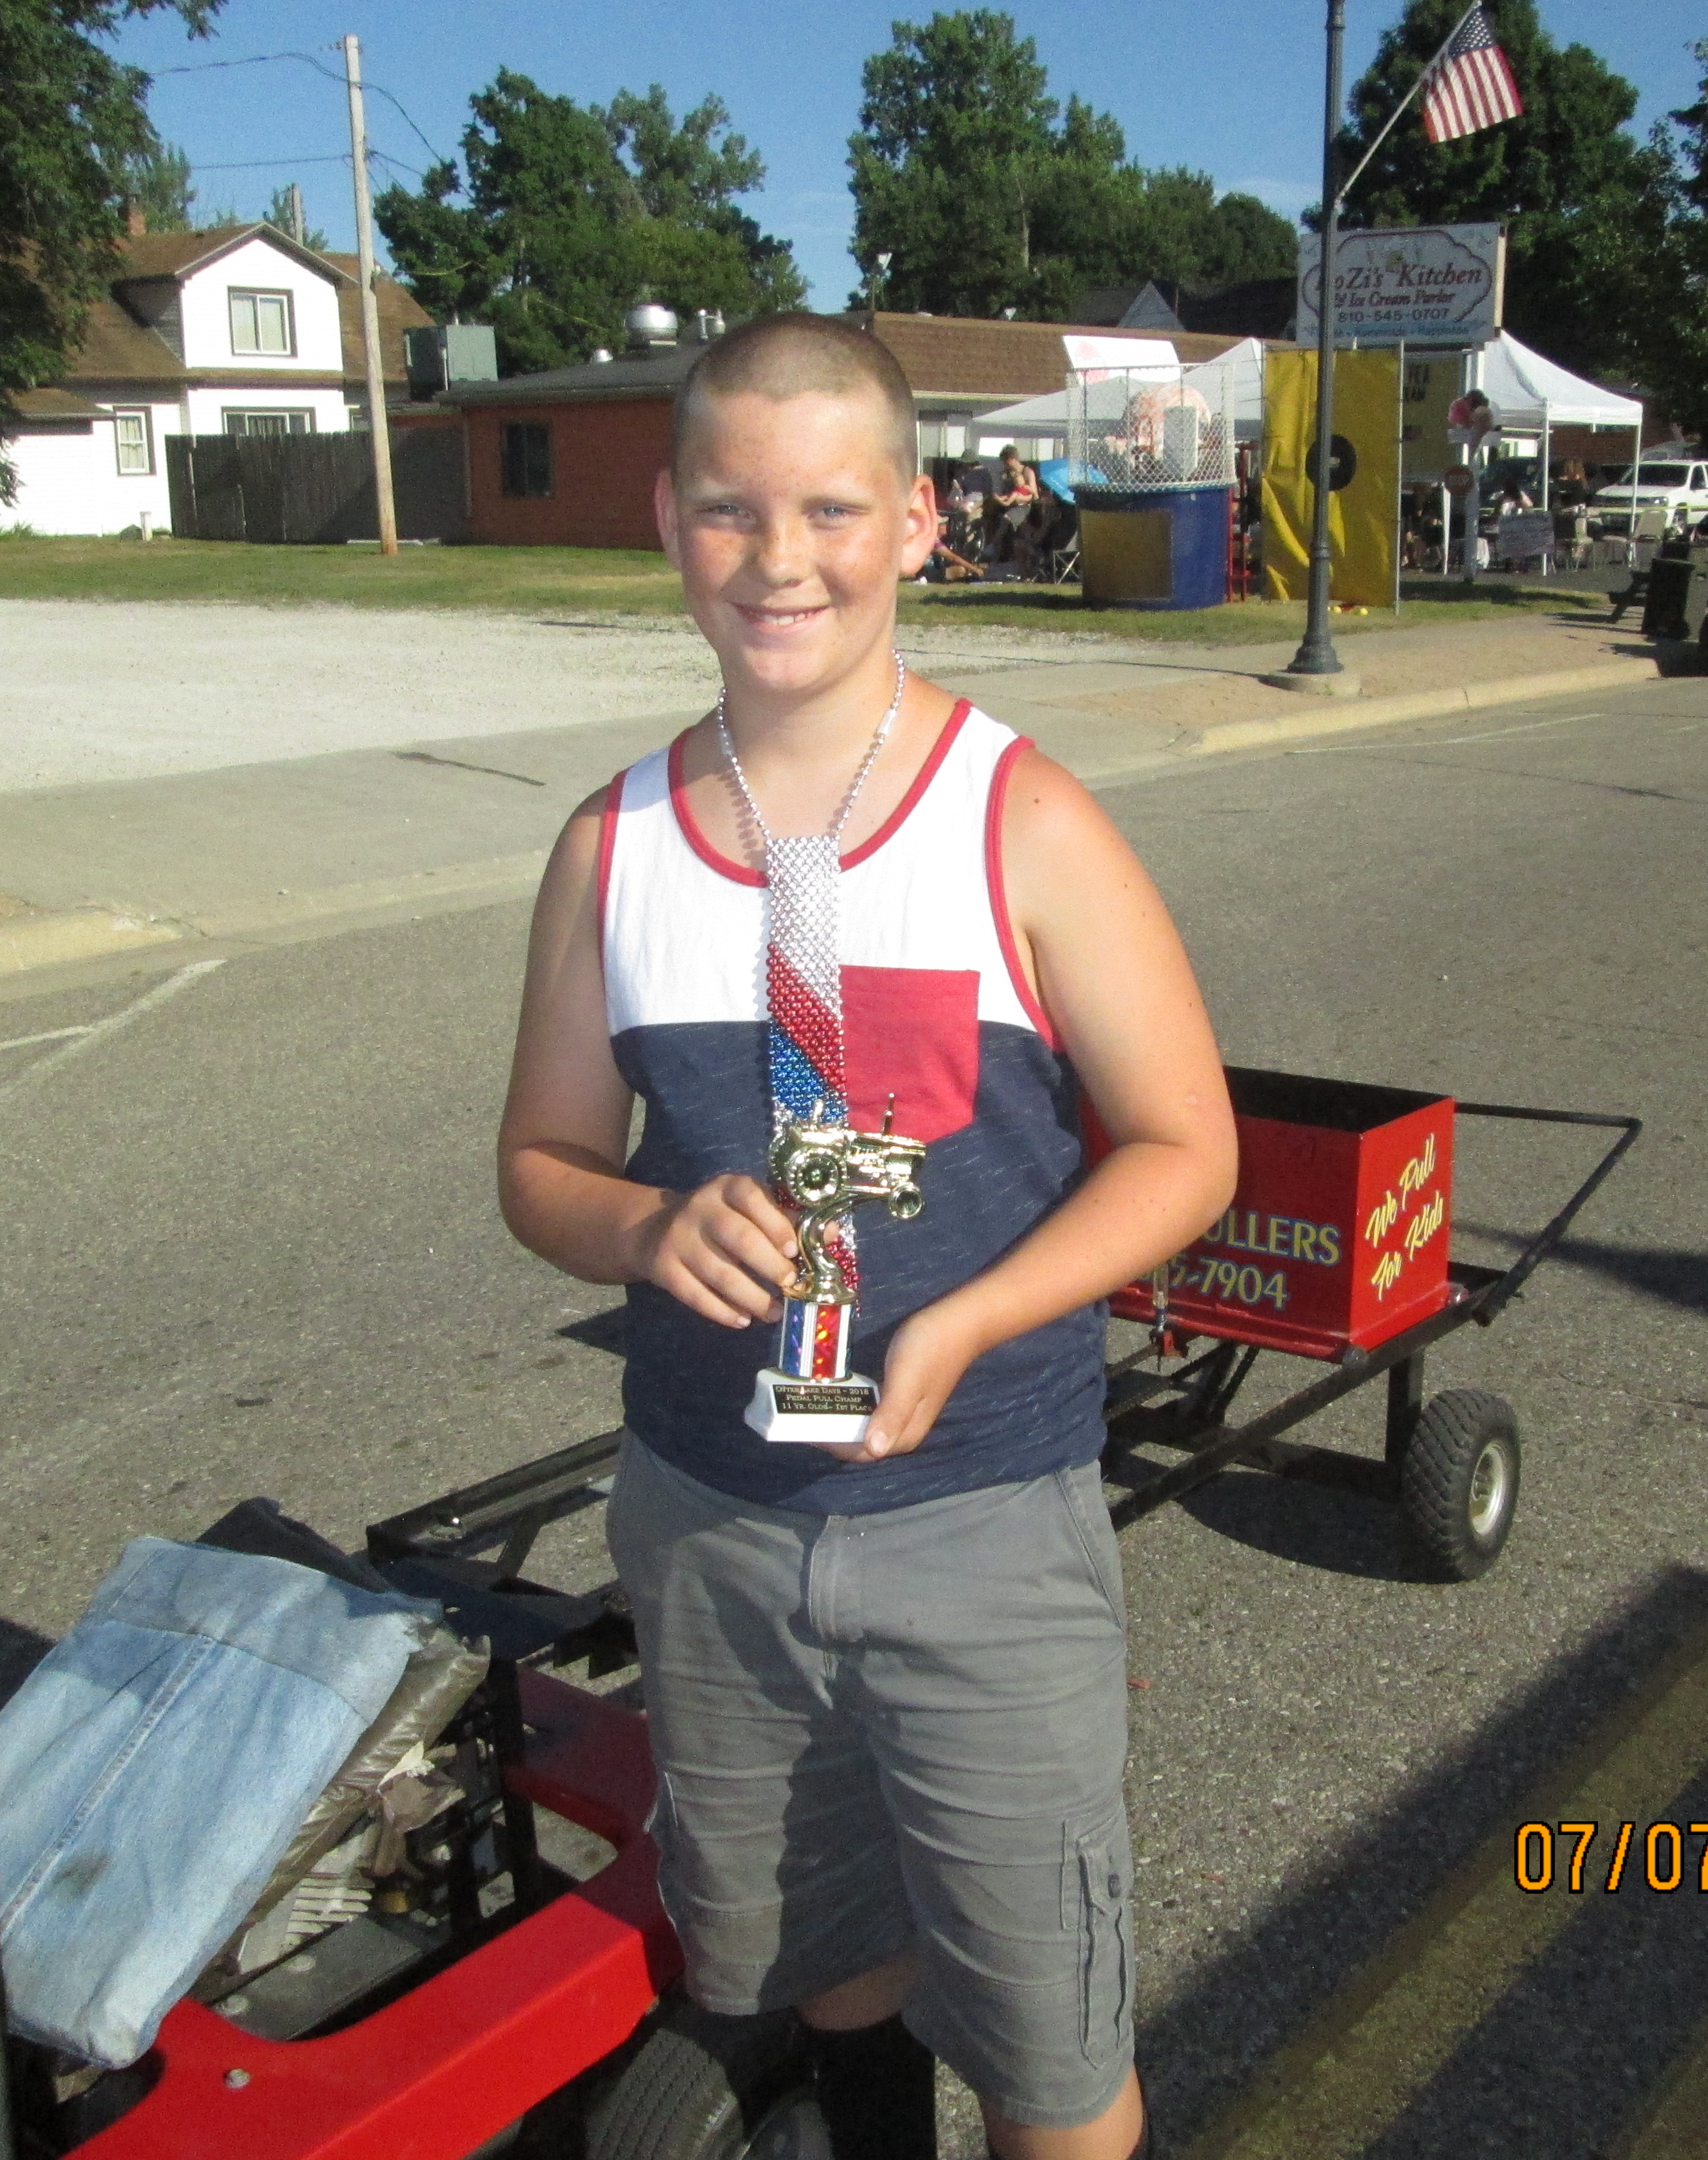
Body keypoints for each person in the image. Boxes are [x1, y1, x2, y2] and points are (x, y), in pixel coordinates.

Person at [497, 313, 1237, 2160]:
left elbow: (1186, 1150)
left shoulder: (1023, 819)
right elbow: (540, 1163)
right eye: (731, 509)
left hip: (981, 1522)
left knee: (1052, 2051)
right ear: (668, 520)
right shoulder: (612, 846)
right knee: (822, 1956)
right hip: (714, 1519)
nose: (782, 558)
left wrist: (971, 1318)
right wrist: (646, 1224)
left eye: (832, 509)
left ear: (917, 521)